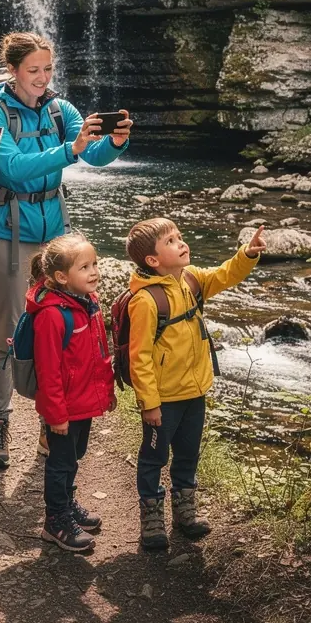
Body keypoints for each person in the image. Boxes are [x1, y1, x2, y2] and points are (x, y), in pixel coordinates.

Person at [0, 31, 131, 469]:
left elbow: (93, 154)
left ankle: (51, 420)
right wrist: (70, 149)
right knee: (8, 329)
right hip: (7, 233)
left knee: (58, 332)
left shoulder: (61, 109)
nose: (43, 78)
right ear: (12, 71)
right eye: (33, 71)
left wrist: (115, 141)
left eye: (48, 69)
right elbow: (11, 168)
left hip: (54, 238)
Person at [124, 217, 267, 549]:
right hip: (164, 399)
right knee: (153, 458)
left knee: (187, 454)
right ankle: (152, 517)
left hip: (194, 390)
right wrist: (150, 403)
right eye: (171, 241)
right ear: (153, 261)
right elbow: (139, 357)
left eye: (179, 237)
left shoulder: (191, 279)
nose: (181, 243)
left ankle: (185, 511)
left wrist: (246, 254)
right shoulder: (146, 301)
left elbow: (224, 275)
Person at [27, 233, 115, 553]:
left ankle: (68, 501)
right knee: (60, 462)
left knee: (73, 458)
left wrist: (106, 391)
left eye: (95, 264)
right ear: (62, 277)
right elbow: (48, 373)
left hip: (84, 402)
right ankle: (56, 519)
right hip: (64, 408)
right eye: (84, 267)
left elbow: (98, 352)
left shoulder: (88, 302)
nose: (94, 272)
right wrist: (56, 415)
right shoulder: (52, 315)